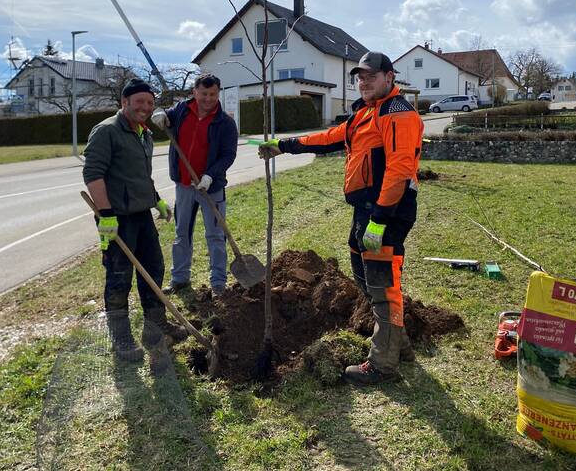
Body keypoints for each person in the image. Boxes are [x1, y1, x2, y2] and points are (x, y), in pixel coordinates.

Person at [259, 52, 423, 386]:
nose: (363, 82)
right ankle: (399, 345)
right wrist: (284, 145)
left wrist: (379, 219)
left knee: (384, 285)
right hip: (366, 210)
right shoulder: (365, 114)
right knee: (365, 275)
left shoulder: (397, 113)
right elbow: (328, 138)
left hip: (386, 213)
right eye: (360, 77)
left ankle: (383, 365)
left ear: (389, 78)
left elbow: (399, 169)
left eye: (371, 77)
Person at [83, 78, 186, 362]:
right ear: (124, 102)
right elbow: (93, 174)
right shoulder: (106, 131)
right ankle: (121, 338)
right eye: (139, 101)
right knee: (119, 279)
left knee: (153, 269)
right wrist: (105, 215)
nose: (145, 107)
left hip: (141, 216)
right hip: (115, 220)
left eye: (150, 103)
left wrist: (157, 200)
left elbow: (140, 177)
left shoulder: (145, 134)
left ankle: (155, 327)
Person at [151, 73, 238, 297]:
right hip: (184, 186)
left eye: (212, 94)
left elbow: (228, 155)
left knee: (216, 235)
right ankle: (180, 279)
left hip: (212, 187)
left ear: (218, 93)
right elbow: (164, 116)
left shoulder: (225, 122)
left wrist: (210, 176)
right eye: (203, 94)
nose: (208, 99)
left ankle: (218, 282)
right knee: (182, 233)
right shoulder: (181, 110)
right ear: (194, 92)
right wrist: (159, 113)